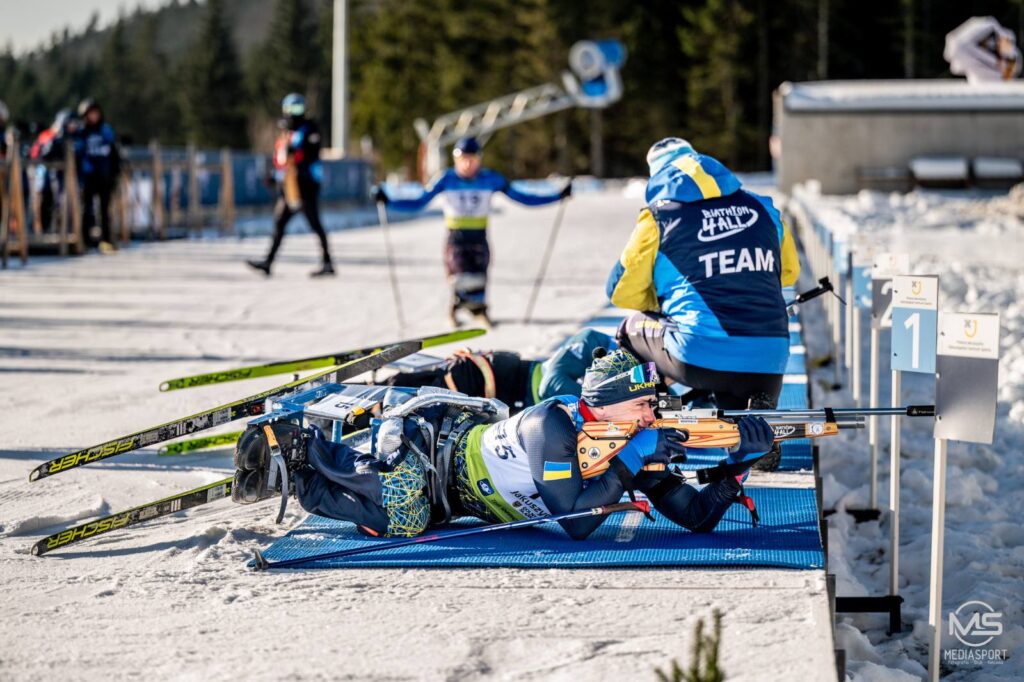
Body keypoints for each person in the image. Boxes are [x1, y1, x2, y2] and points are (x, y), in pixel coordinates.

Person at [232, 348, 774, 540]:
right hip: (429, 453)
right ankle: (293, 449)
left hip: (451, 505)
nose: (652, 415)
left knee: (416, 516)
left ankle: (306, 465)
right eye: (641, 406)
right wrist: (635, 457)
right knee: (402, 512)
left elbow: (697, 517)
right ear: (604, 406)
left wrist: (737, 469)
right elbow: (578, 522)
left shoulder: (627, 444)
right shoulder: (552, 426)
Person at [607, 138, 800, 411]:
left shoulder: (660, 218)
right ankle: (750, 442)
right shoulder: (763, 208)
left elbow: (620, 291)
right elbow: (789, 273)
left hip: (698, 357)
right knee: (742, 402)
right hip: (770, 357)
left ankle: (658, 421)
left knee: (629, 329)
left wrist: (667, 302)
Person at [375, 136, 570, 328]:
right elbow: (419, 201)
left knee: (479, 275)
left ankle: (479, 310)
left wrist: (556, 196)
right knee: (459, 275)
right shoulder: (446, 179)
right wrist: (389, 201)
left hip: (479, 236)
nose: (468, 165)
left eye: (472, 160)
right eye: (463, 160)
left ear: (479, 159)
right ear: (456, 161)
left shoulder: (490, 179)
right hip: (456, 237)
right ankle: (458, 308)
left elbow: (523, 198)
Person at [248, 93, 334, 278]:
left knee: (314, 223)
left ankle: (328, 262)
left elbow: (312, 154)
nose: (294, 113)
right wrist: (275, 176)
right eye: (291, 109)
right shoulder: (286, 132)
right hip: (290, 185)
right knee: (280, 222)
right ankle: (268, 262)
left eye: (298, 109)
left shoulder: (310, 129)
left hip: (307, 185)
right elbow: (281, 160)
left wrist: (297, 153)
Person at [74, 98, 120, 253]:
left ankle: (106, 240)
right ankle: (85, 241)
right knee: (86, 209)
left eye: (96, 113)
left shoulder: (105, 131)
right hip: (88, 176)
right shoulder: (81, 132)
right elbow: (76, 153)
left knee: (104, 210)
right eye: (90, 113)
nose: (93, 116)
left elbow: (114, 153)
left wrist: (115, 173)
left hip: (104, 176)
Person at [30, 109, 75, 232]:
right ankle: (45, 231)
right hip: (46, 177)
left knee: (62, 205)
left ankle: (63, 231)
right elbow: (39, 155)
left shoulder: (75, 136)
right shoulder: (49, 136)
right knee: (46, 205)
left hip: (64, 178)